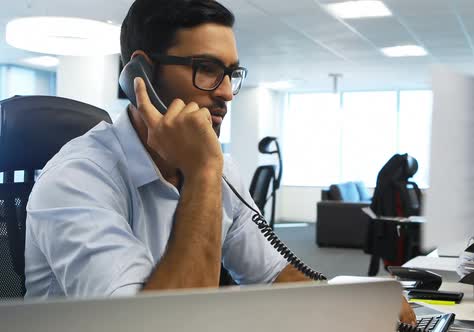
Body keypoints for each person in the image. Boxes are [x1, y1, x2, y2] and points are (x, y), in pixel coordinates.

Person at [24, 0, 415, 324]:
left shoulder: (219, 170)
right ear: (141, 74)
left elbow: (275, 275)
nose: (227, 93)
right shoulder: (76, 180)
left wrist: (356, 307)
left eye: (231, 73)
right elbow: (156, 328)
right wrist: (203, 174)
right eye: (207, 69)